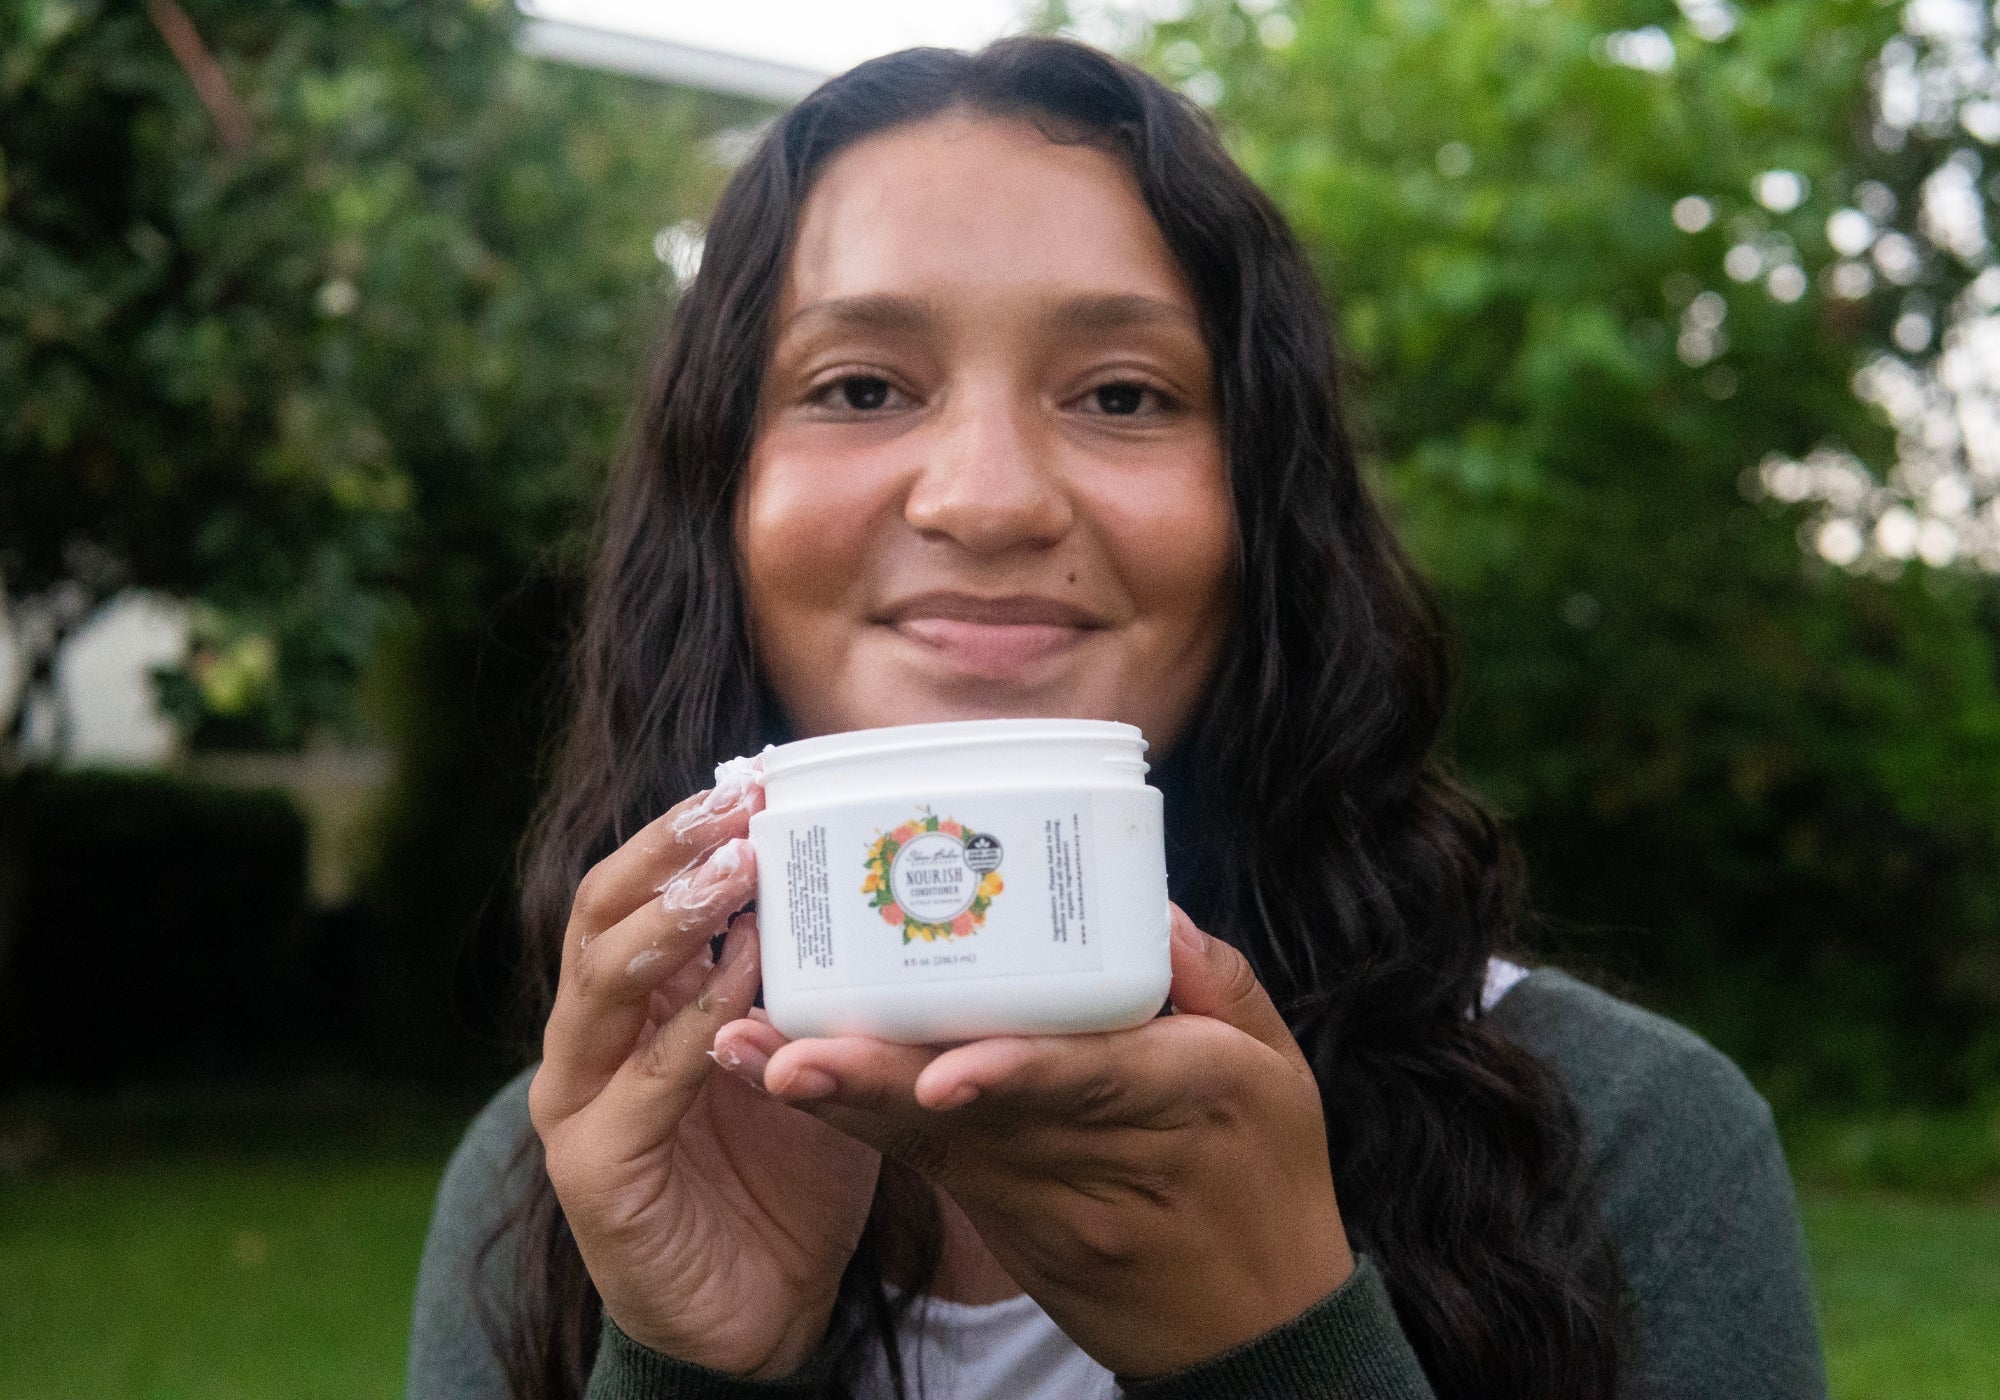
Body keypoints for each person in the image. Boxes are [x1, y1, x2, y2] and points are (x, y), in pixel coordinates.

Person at [407, 36, 1825, 1400]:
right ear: (719, 497)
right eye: (860, 387)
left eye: (1124, 394)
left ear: (1263, 508)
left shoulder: (1624, 1139)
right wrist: (692, 1372)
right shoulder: (565, 1181)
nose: (989, 499)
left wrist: (1274, 1351)